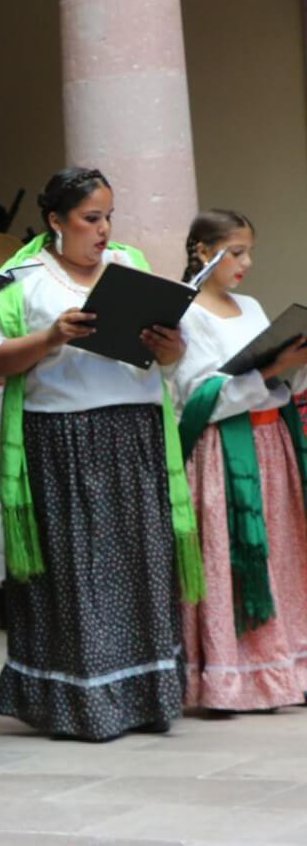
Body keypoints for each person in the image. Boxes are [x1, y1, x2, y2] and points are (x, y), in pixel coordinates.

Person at [0, 167, 202, 741]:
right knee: (76, 571)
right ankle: (79, 703)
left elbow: (170, 357)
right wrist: (52, 337)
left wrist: (171, 348)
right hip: (62, 438)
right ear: (56, 221)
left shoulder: (130, 265)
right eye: (90, 219)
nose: (104, 230)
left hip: (135, 431)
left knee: (140, 564)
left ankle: (146, 697)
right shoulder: (21, 277)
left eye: (109, 218)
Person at [173, 209, 307, 712]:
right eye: (237, 251)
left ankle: (286, 669)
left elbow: (277, 378)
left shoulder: (249, 305)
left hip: (272, 446)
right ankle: (232, 679)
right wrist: (271, 368)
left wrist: (291, 366)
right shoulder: (186, 313)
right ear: (204, 253)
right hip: (224, 455)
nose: (246, 262)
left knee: (283, 554)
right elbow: (196, 394)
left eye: (249, 251)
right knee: (229, 562)